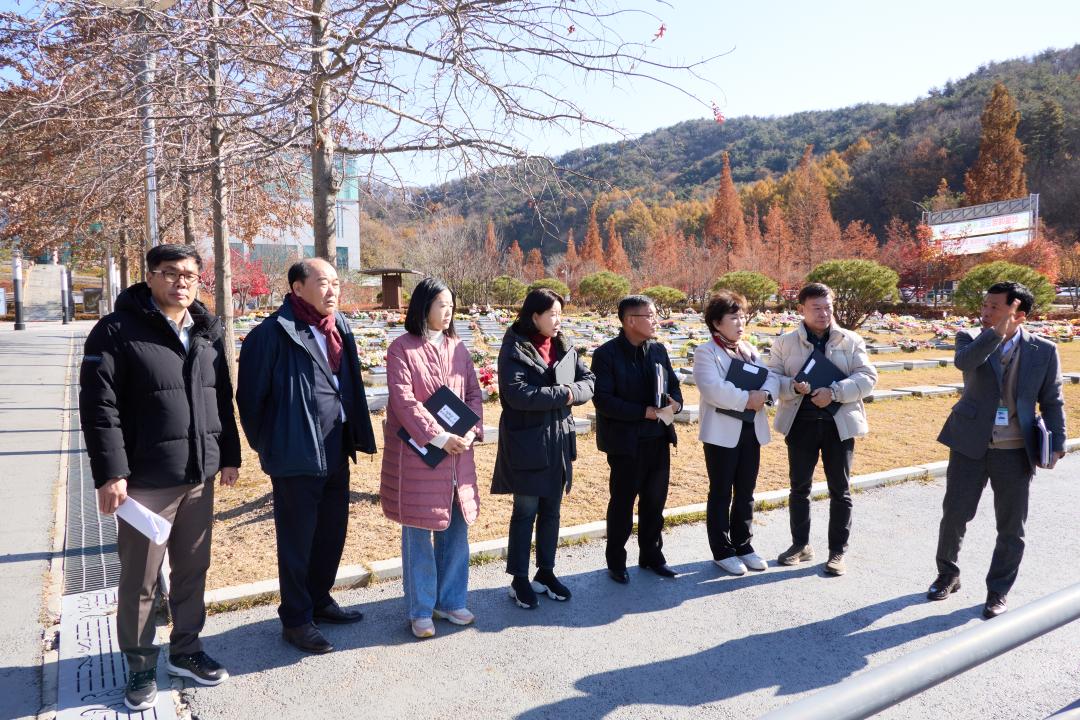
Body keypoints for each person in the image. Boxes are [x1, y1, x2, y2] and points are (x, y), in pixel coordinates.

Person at [79, 244, 240, 711]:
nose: (181, 282)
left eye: (189, 274)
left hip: (199, 476)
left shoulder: (206, 332)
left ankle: (186, 650)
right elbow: (100, 409)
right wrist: (111, 474)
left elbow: (220, 399)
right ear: (149, 277)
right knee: (142, 580)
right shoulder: (116, 331)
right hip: (145, 482)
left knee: (192, 570)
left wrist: (227, 455)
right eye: (170, 273)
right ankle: (140, 664)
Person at [236, 258, 376, 654]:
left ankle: (319, 599)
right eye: (322, 283)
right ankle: (296, 619)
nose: (332, 290)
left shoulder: (339, 327)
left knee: (331, 533)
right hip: (295, 453)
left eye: (335, 282)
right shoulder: (272, 334)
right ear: (297, 288)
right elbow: (250, 401)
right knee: (297, 540)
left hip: (335, 445)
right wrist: (273, 444)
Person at [927, 281, 1066, 619]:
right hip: (968, 443)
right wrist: (995, 332)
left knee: (1011, 526)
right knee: (955, 515)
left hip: (1015, 449)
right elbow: (966, 363)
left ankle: (998, 590)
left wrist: (1058, 441)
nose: (985, 312)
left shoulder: (1043, 351)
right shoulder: (970, 338)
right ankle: (948, 574)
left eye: (995, 307)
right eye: (985, 305)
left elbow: (1052, 398)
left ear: (1018, 313)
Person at [379, 277, 484, 639]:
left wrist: (469, 432)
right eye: (442, 304)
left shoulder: (459, 348)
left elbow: (473, 393)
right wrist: (438, 436)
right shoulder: (401, 349)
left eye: (451, 305)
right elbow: (404, 401)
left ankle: (451, 600)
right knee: (419, 534)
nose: (449, 311)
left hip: (458, 458)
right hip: (420, 456)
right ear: (423, 307)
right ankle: (421, 608)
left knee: (457, 529)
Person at [491, 288, 596, 609]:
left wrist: (570, 392)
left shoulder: (563, 344)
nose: (557, 320)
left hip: (558, 439)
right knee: (525, 512)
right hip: (528, 443)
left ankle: (545, 572)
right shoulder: (514, 348)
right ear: (534, 316)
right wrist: (563, 395)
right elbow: (516, 394)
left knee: (552, 511)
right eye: (552, 314)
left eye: (560, 314)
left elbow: (589, 380)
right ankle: (519, 579)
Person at [766, 282, 877, 576]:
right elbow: (772, 378)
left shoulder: (850, 340)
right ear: (801, 310)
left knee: (840, 490)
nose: (823, 313)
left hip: (838, 425)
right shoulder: (785, 343)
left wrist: (836, 392)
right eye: (816, 308)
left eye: (828, 307)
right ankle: (800, 545)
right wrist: (792, 386)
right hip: (800, 423)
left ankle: (837, 551)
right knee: (799, 488)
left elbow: (868, 377)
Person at [591, 295, 683, 583]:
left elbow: (675, 388)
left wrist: (675, 405)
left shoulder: (658, 351)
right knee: (622, 503)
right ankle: (616, 561)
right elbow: (603, 400)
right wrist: (644, 412)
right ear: (630, 320)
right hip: (625, 442)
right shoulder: (606, 355)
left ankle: (652, 555)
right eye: (650, 315)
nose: (656, 320)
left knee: (655, 502)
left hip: (658, 438)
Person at [693, 291, 780, 576]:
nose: (741, 322)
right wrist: (747, 399)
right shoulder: (706, 352)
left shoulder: (748, 349)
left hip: (750, 429)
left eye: (742, 316)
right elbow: (712, 388)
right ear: (717, 323)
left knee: (746, 491)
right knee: (720, 492)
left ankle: (744, 544)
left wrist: (765, 395)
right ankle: (722, 550)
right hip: (721, 433)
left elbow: (770, 377)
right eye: (734, 317)